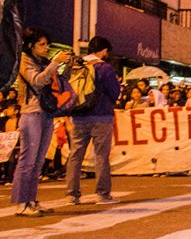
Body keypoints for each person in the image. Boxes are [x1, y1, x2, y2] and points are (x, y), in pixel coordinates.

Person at [11, 27, 72, 215]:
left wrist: (68, 65)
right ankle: (22, 203)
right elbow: (37, 80)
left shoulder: (44, 61)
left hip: (46, 113)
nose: (46, 48)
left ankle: (31, 200)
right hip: (31, 114)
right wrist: (55, 63)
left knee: (38, 162)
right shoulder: (24, 60)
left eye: (47, 44)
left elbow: (58, 83)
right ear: (31, 46)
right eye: (42, 44)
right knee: (27, 161)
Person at [66, 36, 121, 205]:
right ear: (104, 50)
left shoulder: (76, 67)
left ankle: (72, 195)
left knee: (75, 155)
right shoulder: (104, 68)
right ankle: (102, 194)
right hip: (101, 117)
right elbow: (115, 92)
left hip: (78, 116)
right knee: (101, 156)